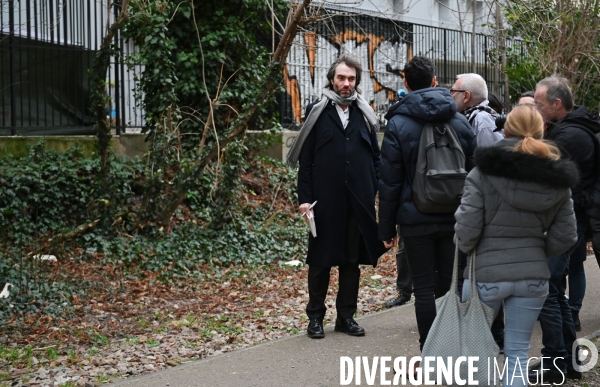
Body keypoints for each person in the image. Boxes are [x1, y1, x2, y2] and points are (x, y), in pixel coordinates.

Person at [455, 104, 578, 387]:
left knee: (477, 356)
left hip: (485, 276)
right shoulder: (557, 180)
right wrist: (537, 252)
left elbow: (467, 230)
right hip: (533, 277)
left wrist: (468, 243)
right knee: (518, 354)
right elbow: (568, 234)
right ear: (541, 131)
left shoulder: (482, 173)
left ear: (505, 129)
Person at [378, 56, 476, 353]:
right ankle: (451, 348)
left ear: (406, 83)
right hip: (454, 217)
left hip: (415, 217)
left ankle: (429, 352)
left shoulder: (398, 123)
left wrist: (387, 226)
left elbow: (390, 181)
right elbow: (474, 173)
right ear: (435, 82)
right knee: (450, 287)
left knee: (422, 288)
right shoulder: (459, 121)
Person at [287, 54, 388, 339]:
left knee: (350, 263)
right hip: (324, 202)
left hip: (358, 202)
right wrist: (304, 199)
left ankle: (346, 317)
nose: (346, 84)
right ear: (332, 78)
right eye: (342, 78)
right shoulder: (317, 111)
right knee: (320, 262)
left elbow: (375, 158)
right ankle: (315, 318)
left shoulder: (365, 113)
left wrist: (375, 190)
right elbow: (306, 160)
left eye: (351, 79)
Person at [532, 75, 600, 380]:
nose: (535, 107)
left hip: (562, 222)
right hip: (569, 221)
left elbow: (543, 179)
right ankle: (566, 362)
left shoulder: (569, 137)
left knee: (548, 291)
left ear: (557, 103)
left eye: (539, 102)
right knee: (555, 291)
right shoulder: (573, 129)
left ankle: (556, 362)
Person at [452, 73, 503, 147]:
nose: (451, 95)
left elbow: (489, 156)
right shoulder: (475, 117)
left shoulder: (483, 120)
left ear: (466, 96)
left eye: (453, 91)